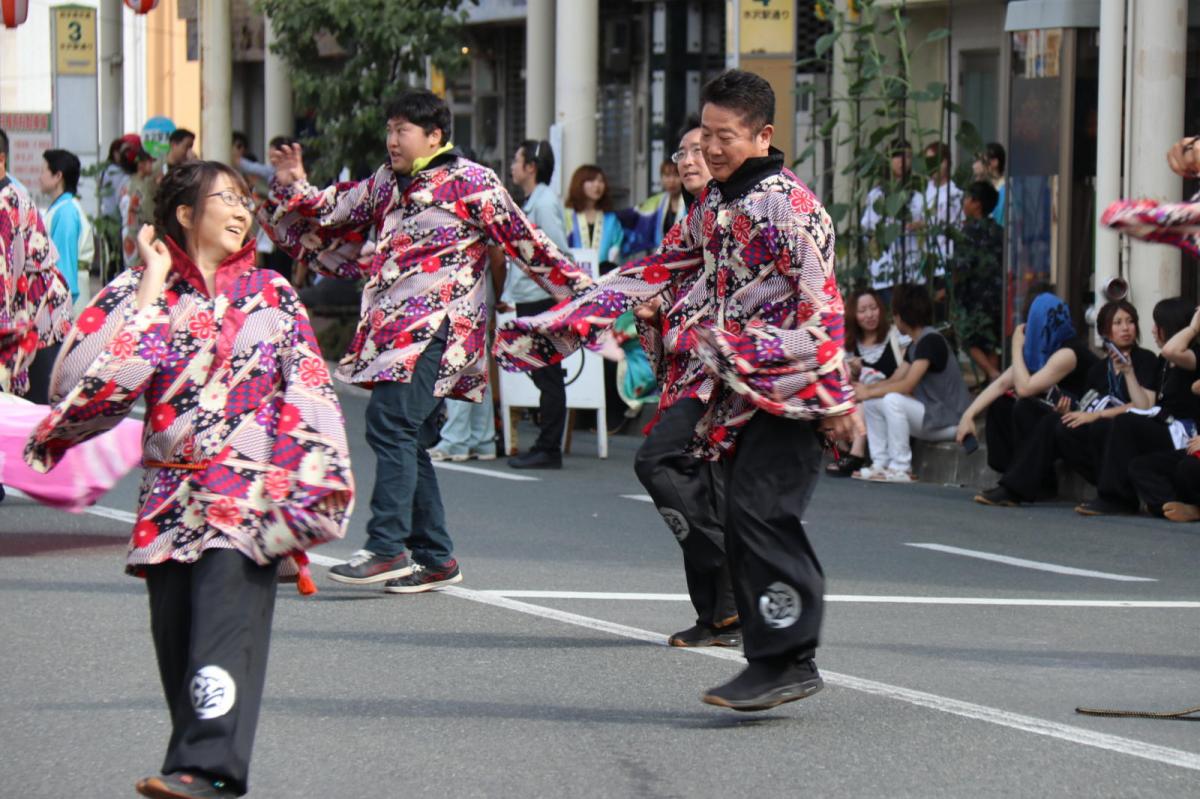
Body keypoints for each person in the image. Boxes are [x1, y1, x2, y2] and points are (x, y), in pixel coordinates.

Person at [497, 70, 860, 710]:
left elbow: (823, 316)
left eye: (725, 137)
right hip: (732, 390)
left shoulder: (785, 206)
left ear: (762, 135)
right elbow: (653, 272)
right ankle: (763, 644)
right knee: (720, 500)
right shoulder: (715, 205)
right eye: (705, 135)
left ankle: (785, 658)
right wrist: (558, 327)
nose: (711, 149)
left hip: (789, 390)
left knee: (760, 516)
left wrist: (834, 402)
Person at [23, 161, 354, 799]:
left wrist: (308, 490)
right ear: (184, 214)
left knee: (223, 631)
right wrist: (148, 293)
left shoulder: (271, 293)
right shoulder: (138, 291)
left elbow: (312, 392)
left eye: (245, 201)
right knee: (182, 653)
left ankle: (205, 770)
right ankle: (200, 775)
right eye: (225, 199)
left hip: (244, 496)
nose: (241, 212)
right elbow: (77, 388)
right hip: (168, 500)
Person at [261, 89, 591, 592]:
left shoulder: (472, 182)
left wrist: (593, 298)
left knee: (390, 423)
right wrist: (294, 184)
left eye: (403, 131)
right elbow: (335, 209)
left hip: (441, 329)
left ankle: (387, 547)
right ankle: (435, 557)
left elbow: (530, 245)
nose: (392, 140)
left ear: (435, 135)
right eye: (390, 129)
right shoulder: (386, 182)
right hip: (393, 331)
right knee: (406, 434)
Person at [629, 116, 741, 648]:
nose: (692, 159)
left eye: (702, 148)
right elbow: (668, 286)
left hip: (721, 375)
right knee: (695, 486)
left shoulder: (736, 211)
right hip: (685, 373)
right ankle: (718, 614)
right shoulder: (687, 219)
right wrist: (654, 312)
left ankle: (731, 572)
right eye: (683, 152)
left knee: (659, 462)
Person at [974, 299, 1158, 506]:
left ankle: (1014, 489)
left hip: (1119, 438)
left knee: (1091, 426)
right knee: (1052, 420)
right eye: (1117, 323)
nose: (1125, 328)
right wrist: (1067, 411)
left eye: (1130, 321)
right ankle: (1017, 487)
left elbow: (1146, 406)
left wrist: (1100, 410)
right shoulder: (1098, 370)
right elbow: (1087, 406)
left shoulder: (1147, 359)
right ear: (1105, 332)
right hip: (1094, 441)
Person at [1078, 298, 1200, 515]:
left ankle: (1114, 498)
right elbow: (1145, 406)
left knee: (1126, 423)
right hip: (1165, 428)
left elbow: (1173, 350)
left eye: (1157, 324)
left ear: (1170, 326)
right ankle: (1169, 505)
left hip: (1184, 433)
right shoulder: (1164, 362)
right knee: (1137, 465)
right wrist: (1128, 372)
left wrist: (1193, 327)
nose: (1152, 330)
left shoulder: (1193, 354)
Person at [956, 292, 1099, 475]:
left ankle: (1033, 479)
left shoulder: (1069, 352)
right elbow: (1001, 384)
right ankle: (1010, 474)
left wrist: (1016, 346)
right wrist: (968, 416)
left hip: (1082, 425)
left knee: (1025, 407)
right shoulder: (1041, 348)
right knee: (1000, 404)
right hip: (1059, 416)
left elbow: (1024, 389)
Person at [499, 139, 572, 469]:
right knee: (542, 369)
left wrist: (562, 294)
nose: (513, 166)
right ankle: (548, 443)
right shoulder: (532, 201)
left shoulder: (542, 203)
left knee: (548, 373)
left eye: (517, 160)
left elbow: (555, 251)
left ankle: (549, 447)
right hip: (531, 296)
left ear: (531, 167)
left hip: (544, 297)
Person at [851, 284, 970, 482]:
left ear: (901, 316)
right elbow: (896, 378)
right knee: (873, 402)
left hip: (951, 421)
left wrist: (867, 392)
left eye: (894, 314)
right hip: (933, 417)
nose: (893, 319)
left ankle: (901, 468)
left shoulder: (930, 341)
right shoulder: (917, 344)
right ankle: (880, 463)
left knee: (892, 400)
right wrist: (866, 390)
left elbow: (907, 385)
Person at [0, 128, 74, 406]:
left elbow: (3, 283)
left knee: (34, 421)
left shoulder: (6, 202)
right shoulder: (11, 193)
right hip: (37, 320)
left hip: (39, 321)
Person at [826, 288, 905, 477]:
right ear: (854, 315)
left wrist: (870, 387)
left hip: (891, 402)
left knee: (863, 397)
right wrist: (853, 372)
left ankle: (856, 453)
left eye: (873, 308)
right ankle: (843, 449)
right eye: (862, 311)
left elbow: (905, 377)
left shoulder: (896, 337)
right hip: (865, 406)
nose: (869, 315)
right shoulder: (851, 345)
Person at [954, 180, 1004, 383]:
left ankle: (993, 375)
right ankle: (994, 385)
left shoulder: (967, 234)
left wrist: (954, 294)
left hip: (973, 297)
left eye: (967, 198)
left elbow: (961, 269)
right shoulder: (999, 231)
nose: (963, 203)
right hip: (997, 295)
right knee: (991, 341)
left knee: (967, 337)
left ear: (977, 204)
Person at [861, 140, 922, 291]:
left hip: (911, 266)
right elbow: (868, 228)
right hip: (885, 269)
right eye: (897, 156)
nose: (903, 161)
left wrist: (918, 225)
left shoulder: (917, 195)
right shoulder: (877, 195)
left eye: (908, 156)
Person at [40, 148, 93, 306]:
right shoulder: (64, 207)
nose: (40, 177)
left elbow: (64, 268)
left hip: (66, 303)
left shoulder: (66, 212)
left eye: (43, 171)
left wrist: (59, 307)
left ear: (58, 176)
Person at [564, 164, 624, 272]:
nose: (597, 185)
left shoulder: (611, 219)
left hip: (604, 280)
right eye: (591, 180)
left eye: (601, 181)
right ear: (579, 183)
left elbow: (616, 249)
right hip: (571, 277)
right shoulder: (567, 216)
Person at [121, 146, 157, 268]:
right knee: (135, 270)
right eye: (151, 162)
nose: (153, 165)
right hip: (135, 230)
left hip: (138, 230)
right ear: (141, 164)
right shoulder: (134, 184)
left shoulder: (138, 182)